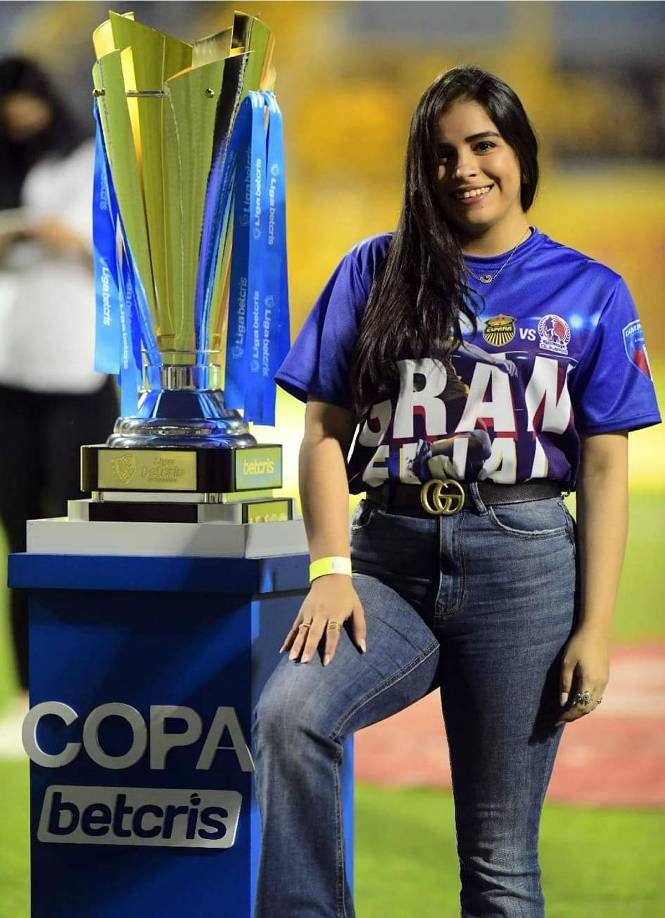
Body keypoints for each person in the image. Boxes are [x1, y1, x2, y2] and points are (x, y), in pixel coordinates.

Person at [252, 65, 661, 917]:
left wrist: (594, 628)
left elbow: (604, 465)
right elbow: (324, 432)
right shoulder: (374, 271)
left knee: (499, 859)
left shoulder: (590, 291)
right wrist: (329, 568)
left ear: (519, 153)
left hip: (524, 572)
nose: (463, 169)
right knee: (289, 718)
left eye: (483, 145)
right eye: (440, 155)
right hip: (385, 563)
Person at [0, 57, 118, 697]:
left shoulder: (88, 161)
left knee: (80, 527)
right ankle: (28, 685)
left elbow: (118, 251)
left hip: (76, 364)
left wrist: (62, 237)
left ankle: (87, 672)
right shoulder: (11, 164)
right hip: (10, 364)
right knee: (19, 533)